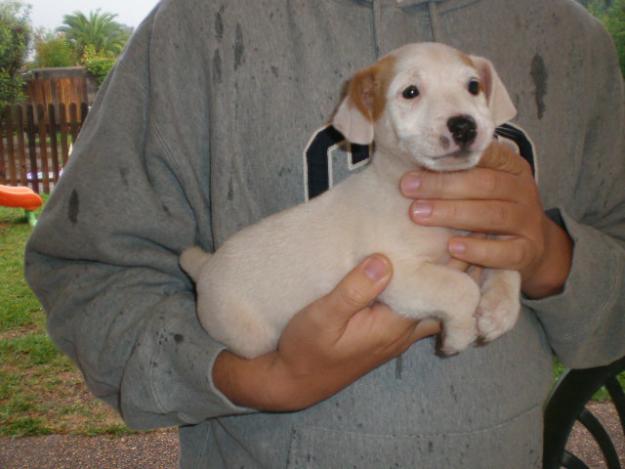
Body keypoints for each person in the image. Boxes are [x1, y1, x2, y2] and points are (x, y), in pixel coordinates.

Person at [24, 0, 625, 467]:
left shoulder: (574, 41)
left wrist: (549, 258)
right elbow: (86, 268)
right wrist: (253, 378)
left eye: (470, 90)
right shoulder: (199, 26)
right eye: (411, 94)